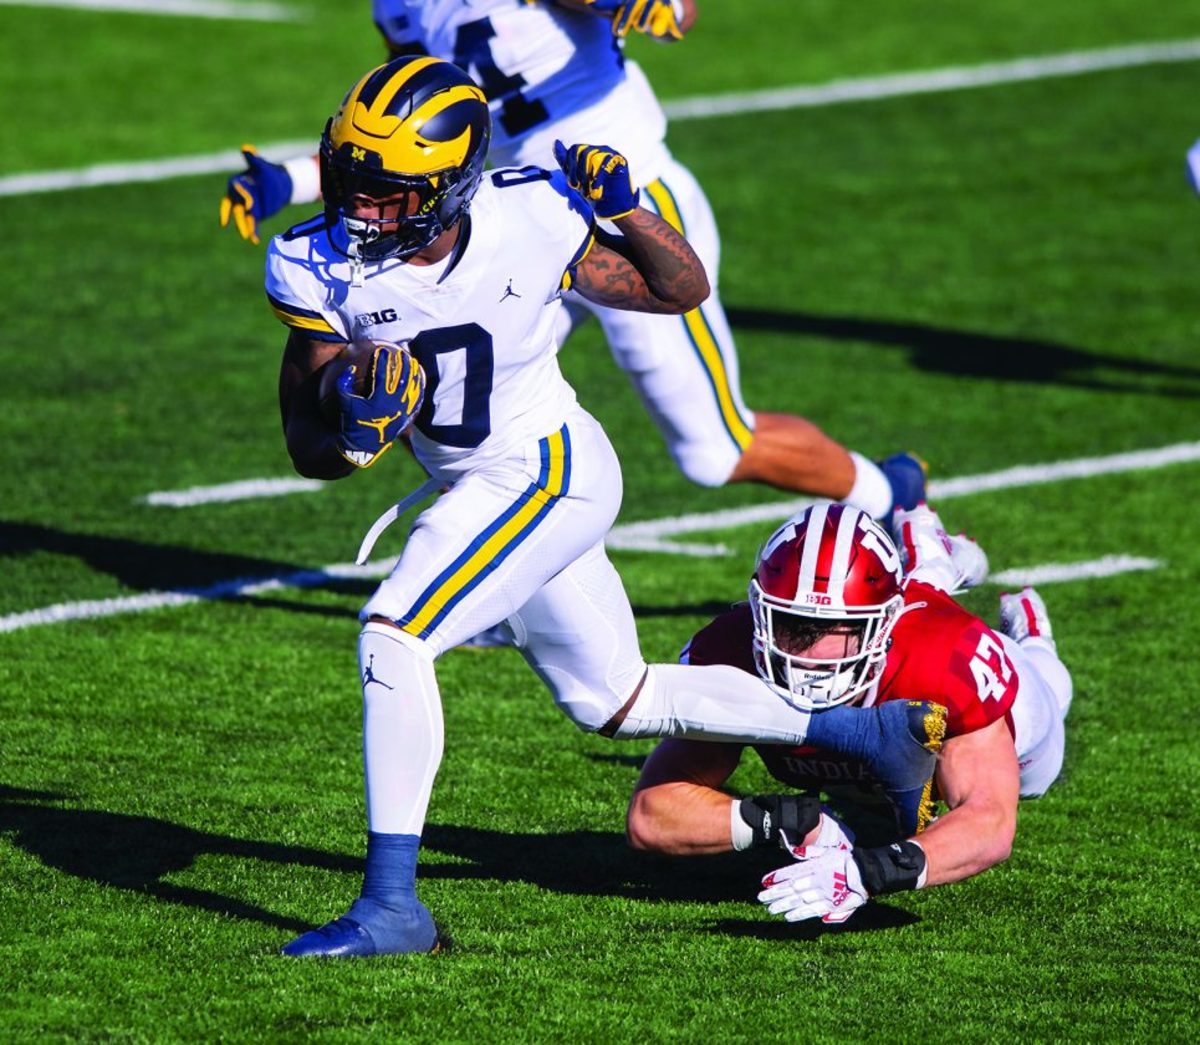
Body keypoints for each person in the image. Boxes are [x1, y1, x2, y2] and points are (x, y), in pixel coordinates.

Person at [266, 55, 944, 957]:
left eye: (388, 193)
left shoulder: (532, 212)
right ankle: (868, 736)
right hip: (478, 482)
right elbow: (310, 449)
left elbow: (679, 289)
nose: (360, 209)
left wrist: (627, 208)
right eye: (350, 181)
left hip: (552, 467)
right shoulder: (308, 264)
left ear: (451, 188)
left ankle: (393, 906)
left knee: (394, 632)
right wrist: (353, 427)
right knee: (615, 699)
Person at [223, 0, 927, 517]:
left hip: (622, 204)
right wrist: (290, 177)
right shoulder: (400, 5)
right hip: (501, 223)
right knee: (442, 408)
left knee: (713, 449)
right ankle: (500, 579)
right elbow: (410, 131)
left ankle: (888, 496)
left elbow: (677, 14)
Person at [625, 501, 1073, 925]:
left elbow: (990, 822)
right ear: (759, 609)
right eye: (792, 624)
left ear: (882, 625)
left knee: (1044, 743)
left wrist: (868, 872)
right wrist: (780, 819)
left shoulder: (942, 657)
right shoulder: (731, 651)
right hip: (879, 712)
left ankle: (1029, 633)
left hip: (1006, 694)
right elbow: (651, 817)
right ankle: (929, 561)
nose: (808, 655)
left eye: (836, 629)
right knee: (870, 804)